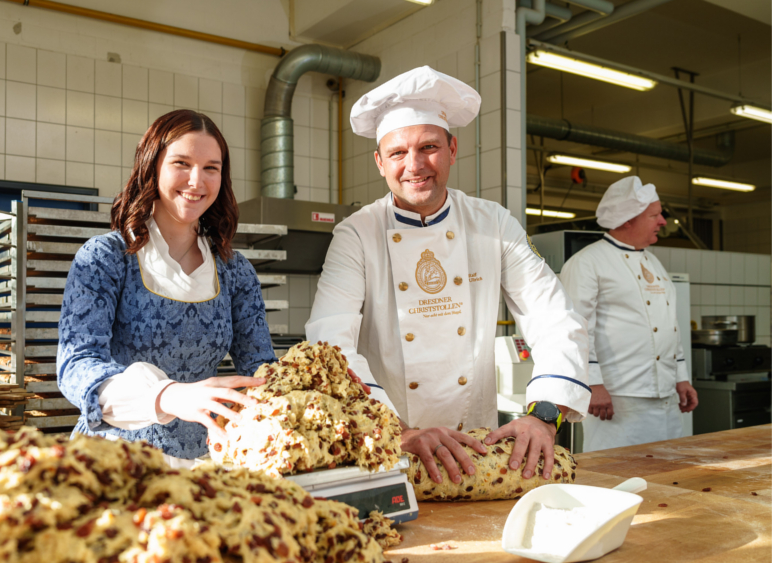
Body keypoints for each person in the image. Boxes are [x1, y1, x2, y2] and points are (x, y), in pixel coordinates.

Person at [307, 66, 591, 486]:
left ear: (453, 148)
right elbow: (330, 344)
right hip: (388, 444)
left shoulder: (492, 223)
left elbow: (552, 316)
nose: (415, 164)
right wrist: (395, 430)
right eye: (398, 152)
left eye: (429, 147)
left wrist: (545, 414)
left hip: (476, 448)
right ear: (379, 162)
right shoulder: (357, 234)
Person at [57, 109, 277, 467]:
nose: (196, 181)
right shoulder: (105, 258)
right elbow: (77, 366)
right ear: (152, 167)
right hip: (113, 461)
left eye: (211, 168)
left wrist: (317, 387)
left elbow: (260, 369)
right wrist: (167, 396)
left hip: (205, 462)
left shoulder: (236, 271)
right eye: (181, 163)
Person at [559, 176, 699, 453]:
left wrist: (680, 377)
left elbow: (668, 324)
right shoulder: (587, 263)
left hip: (665, 396)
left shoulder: (653, 261)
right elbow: (574, 328)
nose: (663, 222)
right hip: (617, 399)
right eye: (655, 215)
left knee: (668, 475)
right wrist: (593, 383)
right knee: (618, 475)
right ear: (627, 220)